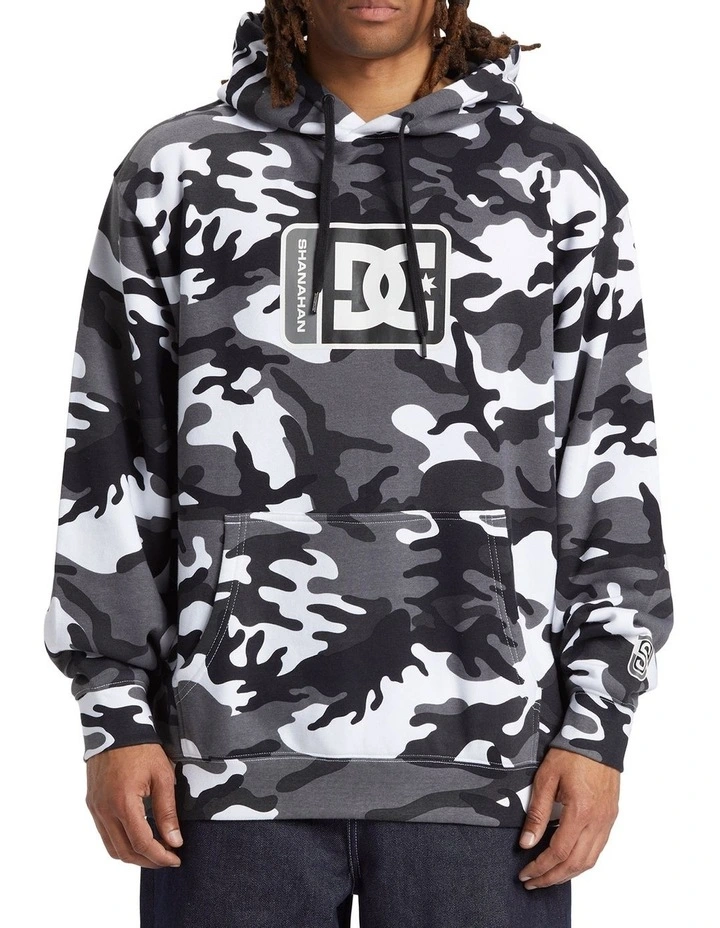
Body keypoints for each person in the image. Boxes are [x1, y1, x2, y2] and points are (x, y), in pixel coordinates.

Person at [43, 2, 674, 926]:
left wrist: (599, 724)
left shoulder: (555, 182)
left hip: (491, 763)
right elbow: (110, 451)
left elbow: (610, 460)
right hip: (221, 767)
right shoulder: (176, 172)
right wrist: (113, 713)